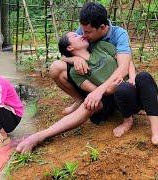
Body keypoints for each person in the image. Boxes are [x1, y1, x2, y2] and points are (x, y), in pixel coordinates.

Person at [16, 32, 158, 153]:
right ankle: (41, 135)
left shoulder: (102, 46)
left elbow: (127, 62)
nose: (81, 34)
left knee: (143, 77)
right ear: (70, 47)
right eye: (76, 36)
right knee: (94, 101)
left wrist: (132, 78)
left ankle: (156, 131)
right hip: (115, 97)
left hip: (131, 90)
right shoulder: (75, 72)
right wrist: (109, 89)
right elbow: (96, 92)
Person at [49, 2, 132, 116]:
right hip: (92, 75)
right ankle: (79, 100)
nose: (83, 35)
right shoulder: (85, 29)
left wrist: (101, 90)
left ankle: (104, 101)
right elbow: (65, 53)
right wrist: (75, 60)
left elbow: (124, 67)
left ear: (102, 27)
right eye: (82, 31)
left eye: (87, 32)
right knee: (56, 67)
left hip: (113, 80)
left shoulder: (119, 34)